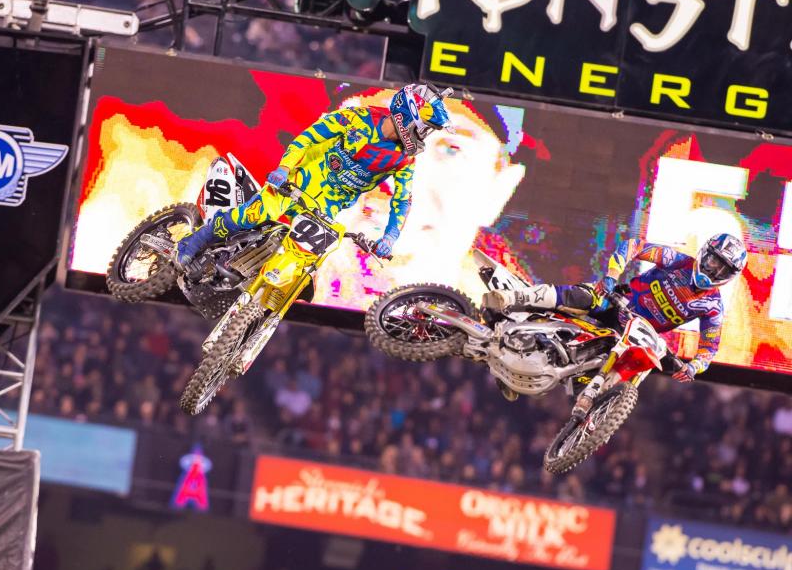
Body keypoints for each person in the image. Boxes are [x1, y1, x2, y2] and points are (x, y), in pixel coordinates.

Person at [175, 83, 453, 266]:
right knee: (253, 215)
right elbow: (309, 137)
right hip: (298, 179)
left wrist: (390, 237)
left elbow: (402, 200)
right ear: (409, 114)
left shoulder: (404, 158)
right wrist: (284, 168)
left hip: (326, 206)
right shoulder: (357, 118)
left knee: (304, 260)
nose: (424, 135)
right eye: (426, 127)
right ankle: (197, 239)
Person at [484, 233, 747, 388]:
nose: (714, 270)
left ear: (729, 276)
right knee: (586, 295)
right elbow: (634, 246)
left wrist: (694, 367)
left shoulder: (713, 308)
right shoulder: (678, 262)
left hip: (636, 333)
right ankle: (511, 297)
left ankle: (593, 409)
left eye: (722, 269)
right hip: (616, 302)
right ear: (704, 253)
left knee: (639, 370)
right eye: (714, 261)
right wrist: (611, 275)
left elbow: (709, 347)